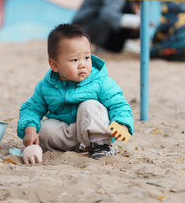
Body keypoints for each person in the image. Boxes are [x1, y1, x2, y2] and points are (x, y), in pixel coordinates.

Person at [17, 24, 134, 159]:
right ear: (54, 65)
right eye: (75, 60)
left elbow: (118, 104)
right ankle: (59, 147)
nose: (83, 64)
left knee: (89, 105)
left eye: (87, 57)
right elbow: (31, 108)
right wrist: (29, 129)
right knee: (43, 128)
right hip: (66, 135)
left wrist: (122, 124)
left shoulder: (100, 82)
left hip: (92, 132)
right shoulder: (46, 86)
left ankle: (102, 146)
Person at [72, 0, 165, 53]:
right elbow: (108, 14)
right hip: (86, 26)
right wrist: (137, 21)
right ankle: (102, 45)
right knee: (134, 17)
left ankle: (119, 44)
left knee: (140, 22)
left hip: (96, 25)